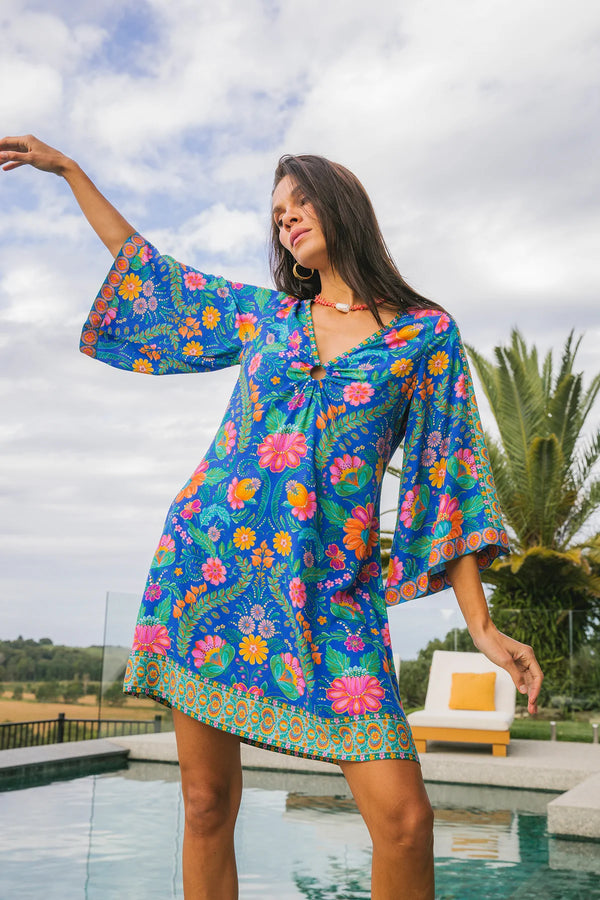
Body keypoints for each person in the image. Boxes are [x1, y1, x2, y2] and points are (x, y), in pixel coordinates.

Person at [1, 134, 543, 900]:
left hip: (334, 595)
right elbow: (148, 271)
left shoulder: (425, 336)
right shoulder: (268, 317)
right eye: (277, 215)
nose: (287, 221)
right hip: (208, 574)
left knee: (406, 824)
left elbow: (451, 478)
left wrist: (481, 626)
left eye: (300, 203)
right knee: (205, 803)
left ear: (341, 203)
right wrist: (68, 171)